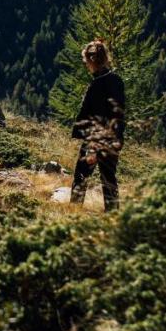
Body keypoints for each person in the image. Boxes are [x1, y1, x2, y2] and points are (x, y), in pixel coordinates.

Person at [70, 39, 126, 211]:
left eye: (87, 61)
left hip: (95, 139)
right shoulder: (117, 81)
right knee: (109, 179)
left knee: (81, 176)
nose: (86, 65)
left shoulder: (96, 85)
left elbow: (91, 116)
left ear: (93, 61)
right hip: (114, 138)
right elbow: (118, 113)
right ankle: (113, 215)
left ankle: (73, 212)